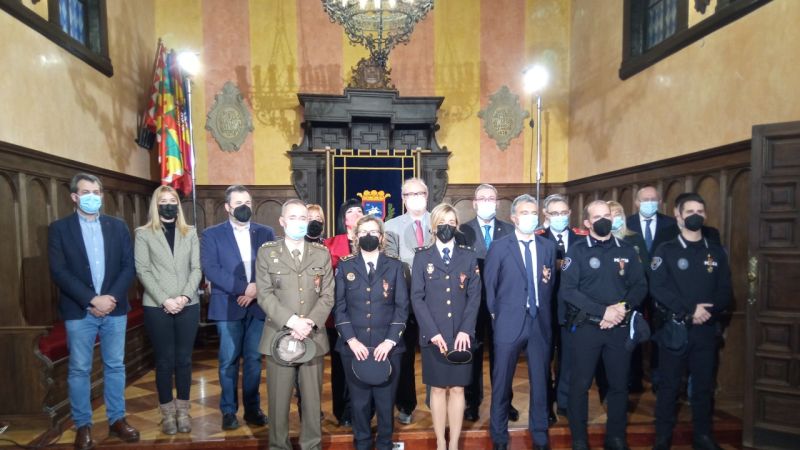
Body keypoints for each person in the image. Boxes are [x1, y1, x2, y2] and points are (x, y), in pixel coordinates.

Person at [48, 173, 139, 450]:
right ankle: (83, 425)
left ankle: (117, 420)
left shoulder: (117, 226)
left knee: (115, 365)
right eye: (86, 192)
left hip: (114, 308)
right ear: (74, 197)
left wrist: (110, 298)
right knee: (79, 368)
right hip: (79, 310)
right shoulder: (60, 229)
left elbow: (128, 266)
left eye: (97, 192)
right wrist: (92, 300)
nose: (93, 197)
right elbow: (59, 271)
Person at [559, 200, 648, 450]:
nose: (604, 220)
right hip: (587, 328)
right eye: (597, 217)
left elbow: (640, 286)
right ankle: (579, 439)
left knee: (619, 385)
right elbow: (568, 291)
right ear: (587, 223)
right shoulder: (577, 251)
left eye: (607, 215)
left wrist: (622, 308)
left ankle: (616, 437)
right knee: (580, 385)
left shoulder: (626, 249)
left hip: (619, 327)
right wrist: (603, 311)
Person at [650, 193, 731, 450]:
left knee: (704, 386)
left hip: (705, 329)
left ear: (705, 215)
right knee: (669, 386)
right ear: (679, 216)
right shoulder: (666, 250)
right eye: (690, 211)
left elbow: (725, 291)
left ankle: (703, 436)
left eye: (700, 211)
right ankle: (662, 437)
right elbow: (658, 288)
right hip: (675, 328)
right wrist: (688, 311)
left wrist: (708, 312)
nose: (695, 215)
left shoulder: (716, 251)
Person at [256, 199, 334, 450]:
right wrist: (292, 322)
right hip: (279, 335)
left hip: (312, 336)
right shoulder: (267, 252)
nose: (299, 223)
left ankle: (312, 445)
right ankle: (278, 446)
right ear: (282, 221)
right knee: (278, 401)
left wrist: (308, 323)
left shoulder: (321, 253)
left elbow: (328, 295)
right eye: (293, 218)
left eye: (303, 218)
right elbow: (264, 294)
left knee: (312, 401)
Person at [485, 194, 557, 450]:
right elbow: (490, 287)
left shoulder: (548, 247)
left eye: (533, 213)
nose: (530, 217)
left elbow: (550, 284)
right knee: (502, 382)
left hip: (539, 323)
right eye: (525, 213)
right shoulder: (499, 247)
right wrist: (497, 317)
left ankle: (540, 435)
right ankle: (499, 436)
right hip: (508, 322)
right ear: (514, 217)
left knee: (540, 382)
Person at [200, 185, 274, 430]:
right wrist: (244, 289)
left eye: (248, 202)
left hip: (258, 306)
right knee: (228, 361)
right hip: (228, 305)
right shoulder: (212, 234)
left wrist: (256, 289)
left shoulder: (265, 232)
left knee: (253, 360)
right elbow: (212, 269)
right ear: (227, 207)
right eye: (239, 203)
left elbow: (273, 266)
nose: (244, 207)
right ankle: (229, 411)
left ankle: (252, 409)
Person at [334, 215, 409, 450]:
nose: (369, 236)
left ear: (382, 237)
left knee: (386, 404)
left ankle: (385, 444)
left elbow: (402, 307)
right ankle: (363, 444)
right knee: (359, 404)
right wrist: (351, 340)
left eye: (374, 232)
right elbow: (339, 307)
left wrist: (389, 341)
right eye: (364, 232)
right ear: (356, 237)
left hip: (388, 348)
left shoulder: (395, 266)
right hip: (354, 348)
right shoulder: (345, 266)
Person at [411, 203, 481, 450]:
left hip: (461, 335)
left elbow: (474, 296)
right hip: (435, 337)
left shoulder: (468, 256)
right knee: (438, 390)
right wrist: (433, 333)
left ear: (457, 226)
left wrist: (465, 330)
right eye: (442, 223)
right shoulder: (422, 257)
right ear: (433, 226)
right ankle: (441, 442)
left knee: (458, 389)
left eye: (451, 223)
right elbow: (417, 298)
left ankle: (454, 443)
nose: (447, 227)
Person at [134, 186, 202, 435]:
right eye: (163, 201)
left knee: (184, 360)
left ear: (178, 205)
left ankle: (183, 411)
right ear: (156, 205)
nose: (168, 204)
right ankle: (167, 414)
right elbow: (143, 270)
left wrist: (184, 296)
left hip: (188, 304)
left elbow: (196, 268)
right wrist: (165, 299)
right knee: (164, 361)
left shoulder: (190, 232)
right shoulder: (143, 234)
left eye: (172, 200)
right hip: (157, 306)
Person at [458, 183, 517, 422]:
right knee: (473, 353)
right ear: (474, 203)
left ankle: (504, 401)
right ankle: (472, 402)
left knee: (502, 354)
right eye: (482, 198)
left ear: (497, 203)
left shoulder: (510, 230)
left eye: (490, 198)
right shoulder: (463, 230)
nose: (486, 202)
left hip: (503, 302)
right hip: (472, 302)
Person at [384, 177, 431, 424]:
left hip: (436, 302)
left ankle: (438, 400)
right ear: (403, 199)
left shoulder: (439, 221)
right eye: (410, 194)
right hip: (405, 302)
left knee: (437, 353)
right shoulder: (390, 226)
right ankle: (406, 404)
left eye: (419, 193)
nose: (415, 198)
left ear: (427, 195)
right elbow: (391, 262)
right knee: (404, 355)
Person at [626, 185, 677, 394]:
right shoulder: (627, 224)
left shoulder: (671, 225)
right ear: (637, 203)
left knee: (660, 333)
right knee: (633, 331)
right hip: (635, 287)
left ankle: (658, 379)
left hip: (662, 287)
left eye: (653, 199)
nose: (649, 203)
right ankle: (634, 378)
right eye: (645, 199)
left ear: (660, 202)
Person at [541, 193, 586, 421]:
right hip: (545, 310)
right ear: (546, 215)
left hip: (573, 309)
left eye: (563, 213)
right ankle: (546, 405)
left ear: (569, 213)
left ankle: (564, 401)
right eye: (554, 213)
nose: (560, 217)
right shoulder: (539, 239)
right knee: (544, 359)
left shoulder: (581, 239)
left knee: (569, 358)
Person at [323, 198, 364, 427]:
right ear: (344, 219)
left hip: (366, 314)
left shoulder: (372, 240)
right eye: (351, 212)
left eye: (360, 211)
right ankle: (343, 411)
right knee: (340, 365)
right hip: (338, 315)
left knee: (363, 363)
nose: (357, 214)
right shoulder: (330, 244)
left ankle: (363, 410)